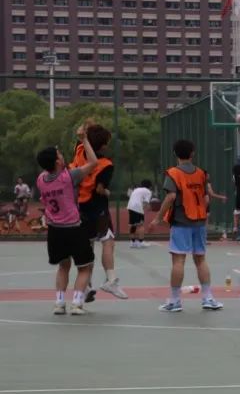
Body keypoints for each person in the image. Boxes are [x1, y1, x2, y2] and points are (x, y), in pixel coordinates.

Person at [149, 139, 223, 313]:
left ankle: (175, 301)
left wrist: (158, 218)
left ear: (175, 154)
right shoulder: (201, 173)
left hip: (181, 222)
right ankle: (208, 298)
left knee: (178, 260)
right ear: (192, 153)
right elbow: (206, 199)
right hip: (199, 222)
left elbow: (171, 197)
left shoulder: (173, 173)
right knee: (201, 259)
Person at [36, 136, 99, 315]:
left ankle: (59, 303)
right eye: (60, 154)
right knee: (84, 267)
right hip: (74, 228)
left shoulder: (41, 179)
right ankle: (77, 303)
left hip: (55, 230)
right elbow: (94, 163)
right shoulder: (68, 177)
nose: (62, 156)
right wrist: (84, 139)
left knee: (63, 266)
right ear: (57, 161)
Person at [70, 122, 128, 301]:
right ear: (102, 145)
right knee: (108, 242)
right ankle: (111, 280)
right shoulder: (106, 165)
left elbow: (82, 139)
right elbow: (100, 189)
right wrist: (108, 192)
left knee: (88, 247)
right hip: (97, 208)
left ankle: (86, 286)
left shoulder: (79, 150)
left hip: (80, 207)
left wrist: (84, 134)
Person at [127, 179, 153, 248]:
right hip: (137, 207)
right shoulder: (148, 191)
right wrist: (149, 208)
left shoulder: (136, 189)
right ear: (150, 186)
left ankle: (132, 242)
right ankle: (141, 242)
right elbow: (146, 202)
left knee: (133, 225)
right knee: (140, 225)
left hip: (130, 206)